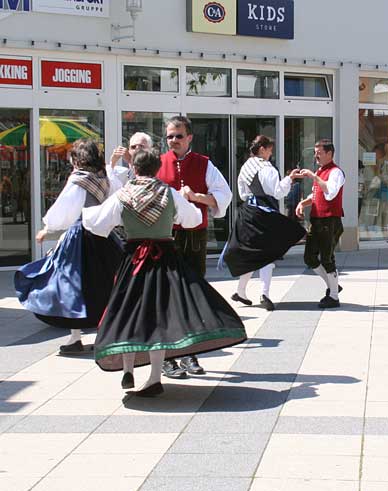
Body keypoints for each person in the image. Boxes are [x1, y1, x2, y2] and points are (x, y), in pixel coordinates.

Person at [83, 149, 247, 397]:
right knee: (158, 317)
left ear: (134, 170)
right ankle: (154, 376)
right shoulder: (168, 192)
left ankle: (128, 368)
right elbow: (191, 219)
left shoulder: (123, 194)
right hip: (165, 258)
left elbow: (98, 224)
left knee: (129, 311)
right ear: (157, 169)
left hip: (134, 259)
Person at [15, 139, 123, 354]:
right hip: (103, 236)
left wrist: (48, 228)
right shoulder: (105, 177)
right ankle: (108, 334)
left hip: (80, 237)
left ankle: (75, 338)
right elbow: (116, 200)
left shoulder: (78, 180)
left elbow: (65, 209)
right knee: (105, 285)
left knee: (71, 286)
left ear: (77, 158)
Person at [157, 115, 232, 377]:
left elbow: (225, 196)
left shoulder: (204, 164)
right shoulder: (158, 163)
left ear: (189, 137)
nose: (173, 140)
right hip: (164, 237)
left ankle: (189, 353)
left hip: (194, 236)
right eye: (169, 136)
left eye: (178, 135)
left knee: (192, 292)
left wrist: (197, 196)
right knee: (166, 295)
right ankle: (166, 357)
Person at [220, 135, 306, 311]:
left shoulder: (246, 166)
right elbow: (278, 192)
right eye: (270, 149)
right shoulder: (267, 168)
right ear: (262, 149)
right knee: (268, 253)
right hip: (264, 214)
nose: (271, 153)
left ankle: (241, 291)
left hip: (248, 213)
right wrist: (290, 178)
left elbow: (243, 193)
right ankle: (264, 293)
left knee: (254, 254)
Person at [295, 139, 346, 309]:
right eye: (315, 152)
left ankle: (333, 296)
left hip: (329, 220)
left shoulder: (336, 172)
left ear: (329, 153)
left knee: (326, 258)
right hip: (317, 219)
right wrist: (303, 203)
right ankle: (333, 286)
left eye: (319, 152)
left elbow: (330, 193)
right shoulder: (321, 171)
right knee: (309, 257)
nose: (316, 155)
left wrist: (314, 176)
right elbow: (316, 195)